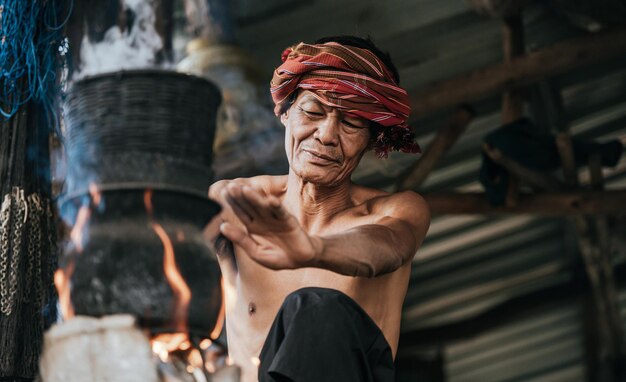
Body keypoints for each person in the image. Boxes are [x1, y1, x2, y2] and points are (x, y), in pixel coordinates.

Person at [206, 36, 430, 382]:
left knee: (316, 310)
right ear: (284, 112)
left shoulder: (393, 211)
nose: (326, 135)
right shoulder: (238, 202)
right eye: (312, 111)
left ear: (372, 140)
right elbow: (172, 251)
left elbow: (390, 245)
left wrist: (315, 250)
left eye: (351, 123)